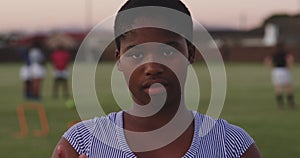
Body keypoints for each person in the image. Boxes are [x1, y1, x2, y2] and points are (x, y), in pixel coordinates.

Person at [52, 0, 262, 157]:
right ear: (119, 59)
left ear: (190, 53)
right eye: (136, 54)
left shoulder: (233, 146)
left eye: (168, 52)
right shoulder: (81, 143)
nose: (152, 67)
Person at [265, 42, 296, 109]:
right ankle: (291, 104)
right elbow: (290, 59)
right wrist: (289, 67)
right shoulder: (285, 53)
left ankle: (280, 105)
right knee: (288, 87)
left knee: (278, 87)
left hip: (276, 70)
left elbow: (267, 60)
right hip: (284, 70)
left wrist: (271, 68)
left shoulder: (274, 54)